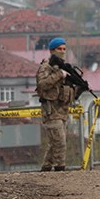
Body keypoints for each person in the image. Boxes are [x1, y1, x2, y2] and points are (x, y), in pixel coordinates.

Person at [35, 37, 75, 172]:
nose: (62, 51)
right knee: (60, 143)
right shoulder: (46, 67)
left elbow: (67, 92)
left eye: (64, 49)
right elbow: (42, 85)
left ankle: (46, 169)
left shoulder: (62, 67)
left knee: (54, 143)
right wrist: (59, 75)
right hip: (51, 112)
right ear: (52, 50)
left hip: (62, 111)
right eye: (59, 49)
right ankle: (60, 169)